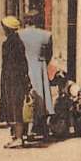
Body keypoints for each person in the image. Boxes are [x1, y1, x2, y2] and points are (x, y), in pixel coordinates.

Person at [19, 9, 54, 140]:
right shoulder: (46, 35)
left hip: (25, 66)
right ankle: (41, 127)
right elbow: (49, 53)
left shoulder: (19, 34)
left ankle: (26, 129)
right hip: (40, 67)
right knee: (42, 97)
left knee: (27, 98)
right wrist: (43, 62)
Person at [0, 16, 31, 148]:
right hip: (16, 78)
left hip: (13, 79)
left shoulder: (9, 43)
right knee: (14, 107)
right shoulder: (18, 42)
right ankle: (17, 136)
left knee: (15, 108)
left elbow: (12, 64)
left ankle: (18, 138)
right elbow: (24, 64)